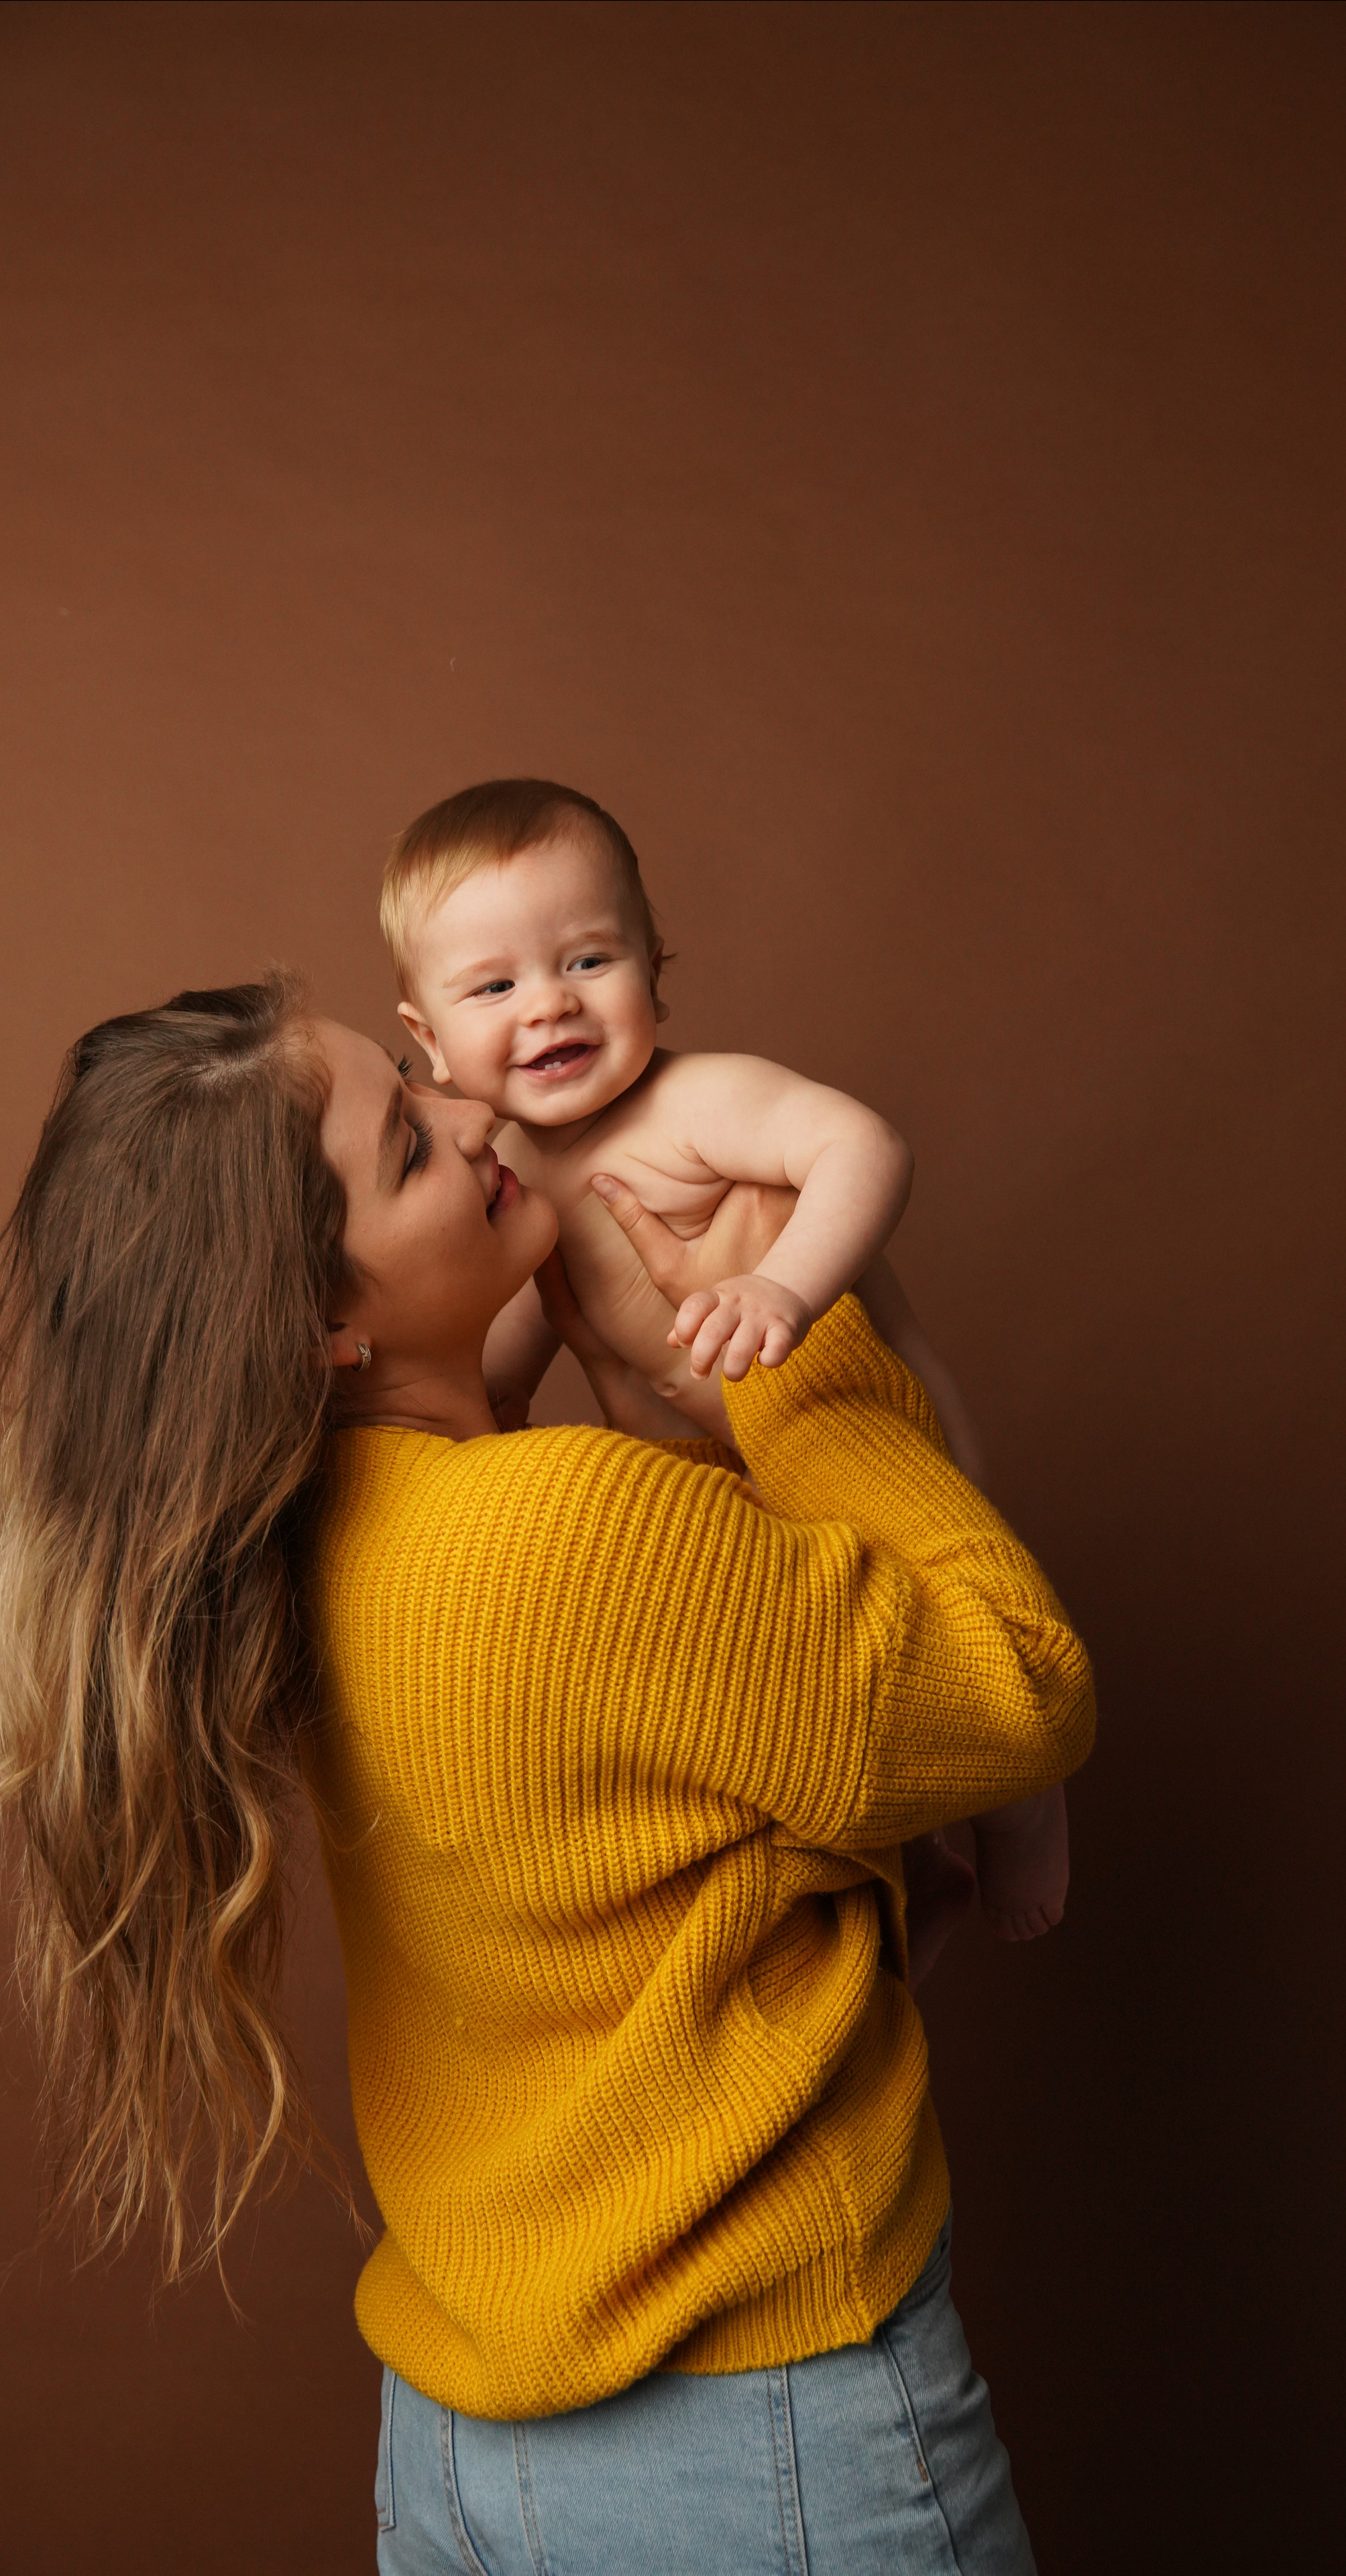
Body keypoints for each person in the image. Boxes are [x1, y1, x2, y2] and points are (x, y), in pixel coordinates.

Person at [0, 973, 1095, 2575]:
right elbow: (1021, 1690)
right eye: (412, 1147)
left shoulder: (311, 1539)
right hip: (760, 2451)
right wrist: (780, 1362)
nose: (486, 1112)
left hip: (464, 2451)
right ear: (319, 1325)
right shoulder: (565, 1538)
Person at [382, 777, 1069, 1947]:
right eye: (495, 986)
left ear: (655, 961)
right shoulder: (510, 1175)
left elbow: (865, 1143)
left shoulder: (698, 1102)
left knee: (960, 1666)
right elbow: (539, 1317)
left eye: (588, 961)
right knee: (835, 1710)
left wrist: (783, 1286)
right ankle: (922, 1879)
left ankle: (1028, 1824)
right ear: (428, 1040)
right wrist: (484, 1399)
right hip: (731, 1491)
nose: (549, 1006)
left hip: (866, 1438)